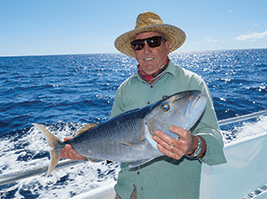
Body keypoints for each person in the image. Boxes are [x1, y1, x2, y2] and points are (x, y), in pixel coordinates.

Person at [61, 11, 227, 199]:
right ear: (133, 51)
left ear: (167, 45)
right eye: (139, 45)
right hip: (127, 192)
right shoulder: (124, 89)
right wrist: (83, 150)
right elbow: (111, 143)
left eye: (154, 42)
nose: (146, 50)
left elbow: (215, 141)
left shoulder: (193, 85)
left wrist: (193, 145)